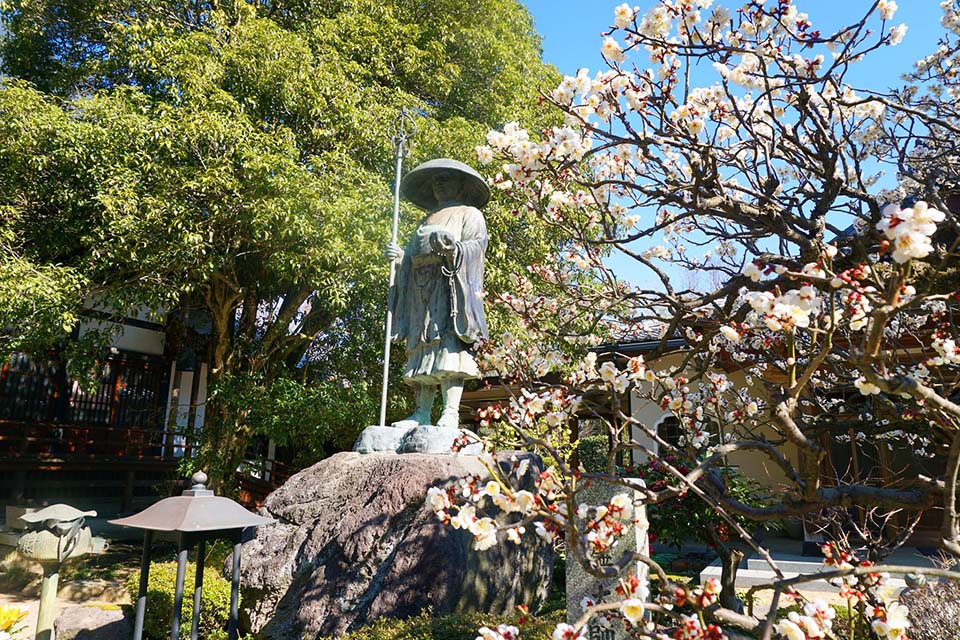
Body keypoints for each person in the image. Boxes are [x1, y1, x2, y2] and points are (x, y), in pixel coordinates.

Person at [386, 158, 490, 428]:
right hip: (420, 293)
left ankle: (450, 412)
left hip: (450, 289)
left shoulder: (469, 214)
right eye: (436, 180)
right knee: (422, 346)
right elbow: (410, 257)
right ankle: (421, 412)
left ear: (461, 184)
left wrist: (453, 250)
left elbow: (476, 248)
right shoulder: (426, 219)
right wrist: (400, 260)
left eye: (446, 178)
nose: (440, 184)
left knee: (448, 346)